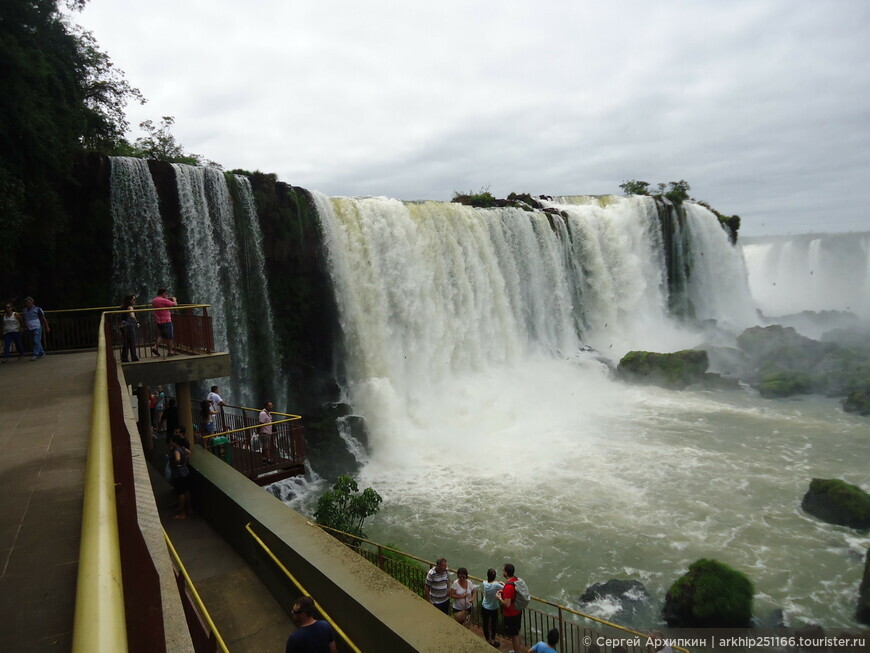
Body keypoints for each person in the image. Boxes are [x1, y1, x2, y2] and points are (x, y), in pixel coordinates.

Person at [496, 563, 523, 653]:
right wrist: (504, 588)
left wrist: (499, 597)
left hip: (511, 614)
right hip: (518, 611)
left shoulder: (508, 587)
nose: (503, 572)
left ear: (506, 573)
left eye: (504, 570)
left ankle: (517, 651)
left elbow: (507, 604)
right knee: (517, 633)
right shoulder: (515, 580)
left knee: (514, 635)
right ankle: (517, 649)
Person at [168, 434, 191, 519]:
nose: (170, 442)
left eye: (171, 441)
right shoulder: (183, 448)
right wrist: (184, 461)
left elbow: (177, 459)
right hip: (186, 472)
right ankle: (188, 509)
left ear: (175, 442)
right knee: (187, 491)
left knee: (181, 493)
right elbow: (189, 452)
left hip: (178, 474)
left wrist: (177, 463)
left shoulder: (176, 451)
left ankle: (182, 513)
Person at [480, 568, 504, 647]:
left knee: (485, 624)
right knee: (493, 624)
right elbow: (505, 588)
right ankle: (493, 640)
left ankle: (488, 639)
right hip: (493, 608)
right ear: (494, 577)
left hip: (485, 606)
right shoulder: (496, 585)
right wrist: (502, 583)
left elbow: (487, 582)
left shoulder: (484, 583)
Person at [151, 288, 177, 356]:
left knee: (162, 335)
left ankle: (155, 347)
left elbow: (162, 302)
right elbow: (175, 304)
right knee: (169, 336)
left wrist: (167, 299)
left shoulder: (154, 300)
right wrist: (174, 299)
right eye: (166, 293)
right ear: (163, 293)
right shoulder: (163, 300)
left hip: (159, 320)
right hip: (166, 320)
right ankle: (170, 351)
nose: (166, 295)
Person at [22, 296, 49, 360]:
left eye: (29, 302)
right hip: (29, 328)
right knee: (34, 341)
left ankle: (35, 354)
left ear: (32, 302)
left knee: (36, 340)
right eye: (26, 302)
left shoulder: (37, 309)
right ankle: (42, 352)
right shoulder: (24, 310)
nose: (27, 304)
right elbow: (24, 319)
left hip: (37, 327)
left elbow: (43, 318)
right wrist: (23, 327)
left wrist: (47, 326)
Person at [119, 294, 140, 362]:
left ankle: (124, 357)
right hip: (129, 325)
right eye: (134, 300)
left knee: (126, 342)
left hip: (123, 325)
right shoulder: (130, 307)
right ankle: (134, 357)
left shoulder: (123, 306)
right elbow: (132, 316)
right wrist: (137, 322)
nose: (135, 301)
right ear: (130, 301)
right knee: (132, 341)